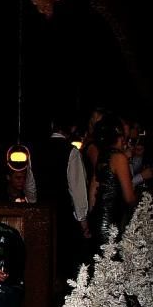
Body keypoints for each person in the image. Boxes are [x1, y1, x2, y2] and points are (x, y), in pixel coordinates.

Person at [34, 116, 91, 281]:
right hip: (63, 212)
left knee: (45, 259)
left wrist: (33, 207)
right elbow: (77, 188)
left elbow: (30, 186)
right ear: (71, 129)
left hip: (42, 210)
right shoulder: (71, 151)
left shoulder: (35, 150)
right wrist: (83, 219)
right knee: (65, 260)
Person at [89, 114, 137, 246]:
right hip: (111, 221)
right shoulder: (119, 158)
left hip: (99, 218)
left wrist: (90, 215)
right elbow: (129, 198)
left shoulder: (103, 155)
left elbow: (94, 185)